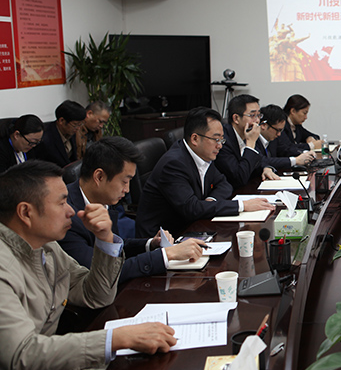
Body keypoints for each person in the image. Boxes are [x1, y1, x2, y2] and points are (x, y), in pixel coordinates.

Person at [0, 161, 177, 370]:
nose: (71, 211)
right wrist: (114, 339)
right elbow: (21, 355)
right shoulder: (4, 264)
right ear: (26, 212)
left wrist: (105, 241)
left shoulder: (47, 246)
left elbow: (95, 295)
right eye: (61, 203)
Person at [59, 137, 206, 285]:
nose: (127, 189)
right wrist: (167, 255)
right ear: (99, 176)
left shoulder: (103, 197)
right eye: (124, 181)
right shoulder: (67, 216)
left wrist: (150, 244)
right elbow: (105, 273)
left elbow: (113, 246)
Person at [135, 107, 274, 238]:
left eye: (222, 139)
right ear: (195, 139)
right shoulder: (174, 164)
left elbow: (224, 183)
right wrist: (242, 206)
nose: (220, 145)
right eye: (216, 139)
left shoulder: (202, 154)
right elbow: (192, 209)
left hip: (193, 227)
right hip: (164, 238)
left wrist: (210, 201)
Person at [216, 94, 282, 189]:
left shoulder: (248, 133)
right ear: (236, 118)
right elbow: (239, 178)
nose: (257, 121)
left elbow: (260, 160)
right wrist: (250, 144)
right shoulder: (223, 141)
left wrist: (266, 168)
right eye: (252, 115)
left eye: (258, 115)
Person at [259, 104, 315, 170]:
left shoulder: (272, 139)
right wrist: (295, 160)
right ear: (264, 125)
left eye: (281, 131)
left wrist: (305, 153)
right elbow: (263, 161)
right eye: (277, 130)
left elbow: (285, 149)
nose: (279, 134)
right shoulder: (253, 140)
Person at [32, 100, 86, 167]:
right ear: (61, 121)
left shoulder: (71, 131)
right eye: (75, 125)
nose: (78, 128)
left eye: (80, 124)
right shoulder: (45, 139)